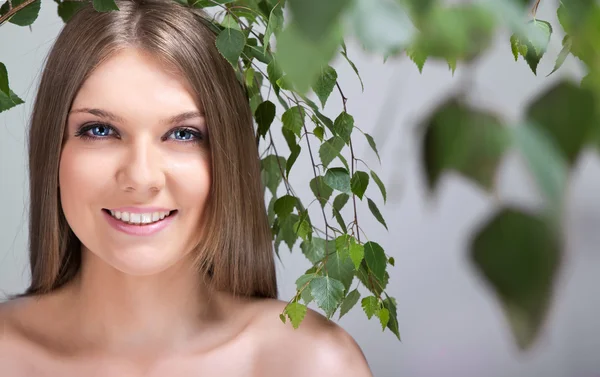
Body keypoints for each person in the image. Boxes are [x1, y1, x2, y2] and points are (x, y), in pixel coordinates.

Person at [0, 1, 372, 375]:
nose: (141, 178)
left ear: (228, 156)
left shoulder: (311, 362)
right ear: (53, 148)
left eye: (183, 133)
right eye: (100, 130)